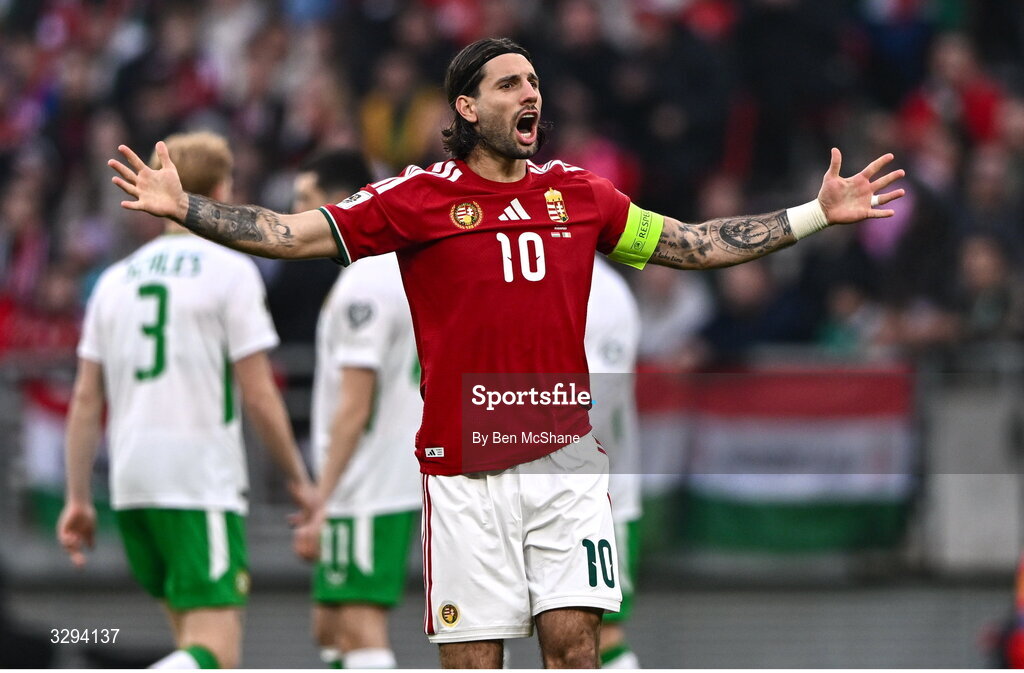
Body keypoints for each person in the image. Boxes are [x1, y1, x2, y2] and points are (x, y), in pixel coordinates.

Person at [107, 37, 906, 669]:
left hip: (564, 465)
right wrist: (188, 209)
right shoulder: (415, 200)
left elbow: (693, 245)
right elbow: (289, 234)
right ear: (467, 105)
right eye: (510, 84)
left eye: (534, 83)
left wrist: (814, 215)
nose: (532, 94)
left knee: (576, 649)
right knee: (475, 659)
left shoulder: (582, 196)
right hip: (464, 474)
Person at [59, 131, 315, 670]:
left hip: (131, 486)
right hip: (197, 481)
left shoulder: (114, 280)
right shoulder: (231, 270)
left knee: (191, 644)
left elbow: (86, 398)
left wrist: (78, 498)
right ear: (222, 190)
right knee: (217, 650)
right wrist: (298, 479)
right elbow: (259, 393)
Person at [289, 149, 423, 670]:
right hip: (384, 469)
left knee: (358, 625)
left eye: (304, 201)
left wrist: (321, 496)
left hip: (366, 478)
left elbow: (354, 404)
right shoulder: (400, 268)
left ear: (335, 204)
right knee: (329, 625)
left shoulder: (362, 284)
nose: (296, 214)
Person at [584, 256, 642, 669]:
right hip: (522, 489)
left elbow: (597, 408)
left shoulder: (605, 295)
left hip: (599, 499)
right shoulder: (516, 276)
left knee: (598, 634)